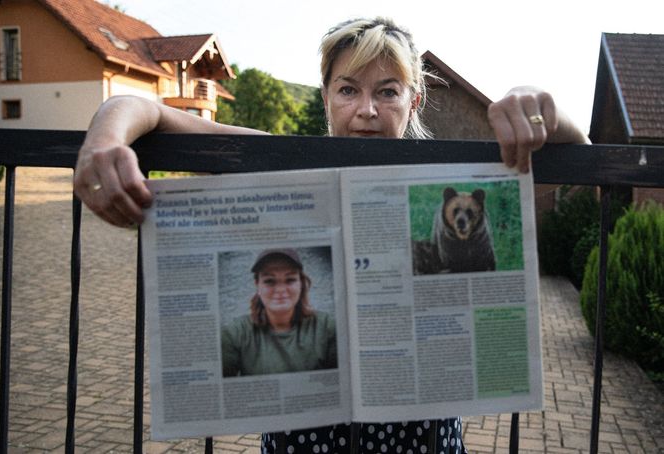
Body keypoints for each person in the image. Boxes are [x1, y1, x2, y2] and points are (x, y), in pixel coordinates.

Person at [74, 16, 588, 454]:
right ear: (326, 96)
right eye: (348, 89)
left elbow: (581, 156)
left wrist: (539, 104)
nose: (366, 110)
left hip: (423, 440)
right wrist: (105, 134)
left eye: (387, 92)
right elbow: (152, 111)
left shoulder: (451, 170)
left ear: (416, 98)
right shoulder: (285, 164)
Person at [221, 248, 337, 377]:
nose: (281, 289)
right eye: (270, 281)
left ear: (301, 284)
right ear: (257, 286)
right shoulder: (235, 333)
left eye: (290, 280)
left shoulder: (327, 327)